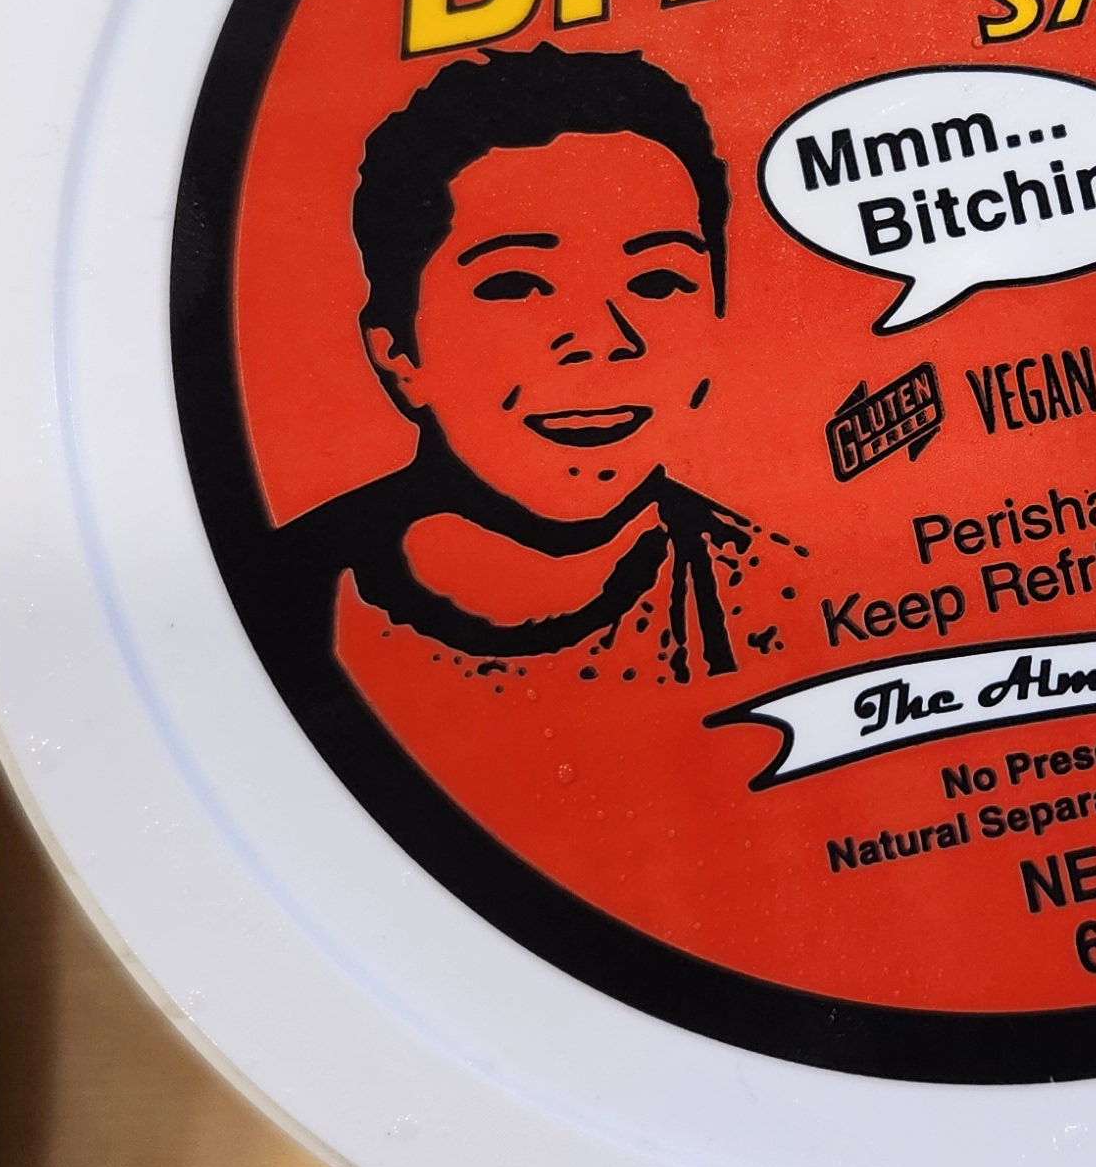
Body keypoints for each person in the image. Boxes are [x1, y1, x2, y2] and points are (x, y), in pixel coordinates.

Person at [282, 42, 769, 685]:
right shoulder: (269, 600)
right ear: (396, 349)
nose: (602, 339)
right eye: (518, 285)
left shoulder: (776, 582)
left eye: (656, 281)